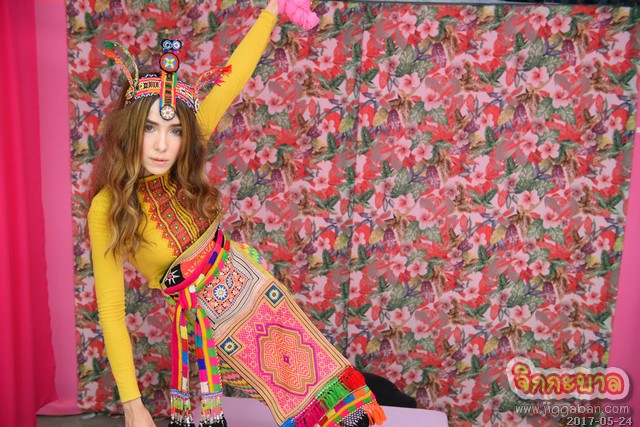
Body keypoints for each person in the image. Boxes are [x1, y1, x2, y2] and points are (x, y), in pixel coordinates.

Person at [88, 1, 387, 427]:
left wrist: (271, 11)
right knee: (282, 390)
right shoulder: (107, 206)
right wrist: (133, 405)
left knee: (316, 371)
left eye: (174, 131)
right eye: (150, 128)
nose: (161, 145)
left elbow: (232, 78)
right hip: (206, 318)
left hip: (249, 281)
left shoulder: (181, 161)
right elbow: (111, 310)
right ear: (129, 130)